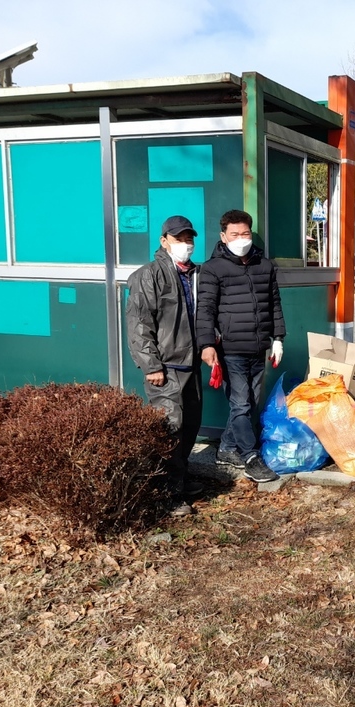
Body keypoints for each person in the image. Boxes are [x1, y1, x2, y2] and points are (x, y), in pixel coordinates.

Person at [196, 209, 285, 484]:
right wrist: (207, 344)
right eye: (234, 234)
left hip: (259, 347)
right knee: (241, 404)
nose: (241, 238)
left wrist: (279, 338)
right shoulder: (212, 269)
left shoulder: (265, 266)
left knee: (250, 404)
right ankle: (250, 457)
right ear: (223, 236)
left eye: (245, 233)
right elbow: (206, 310)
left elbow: (274, 304)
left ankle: (226, 449)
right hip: (230, 350)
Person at [125, 215, 205, 516]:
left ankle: (179, 481)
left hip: (191, 364)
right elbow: (139, 326)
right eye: (179, 239)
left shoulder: (196, 274)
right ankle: (166, 494)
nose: (186, 244)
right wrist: (151, 366)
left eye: (189, 239)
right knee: (169, 429)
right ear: (164, 241)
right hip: (165, 368)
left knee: (189, 427)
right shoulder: (149, 276)